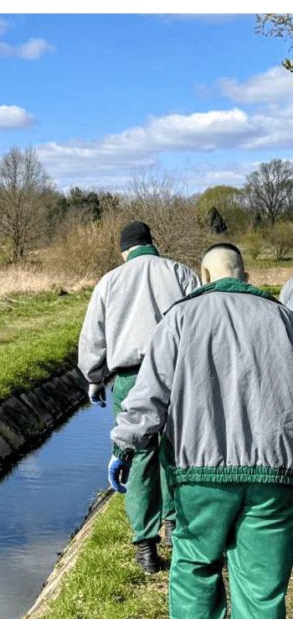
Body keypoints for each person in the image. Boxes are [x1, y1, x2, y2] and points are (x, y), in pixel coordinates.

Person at [109, 242, 293, 619]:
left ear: (204, 275)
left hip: (200, 472)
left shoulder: (179, 318)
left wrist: (125, 447)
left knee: (195, 559)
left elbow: (149, 396)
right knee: (262, 585)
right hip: (274, 476)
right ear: (245, 274)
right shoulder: (283, 318)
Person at [78, 221, 200, 573]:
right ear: (151, 243)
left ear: (124, 250)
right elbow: (200, 322)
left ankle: (146, 546)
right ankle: (175, 526)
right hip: (177, 374)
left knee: (138, 455)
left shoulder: (109, 282)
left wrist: (94, 378)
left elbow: (93, 339)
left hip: (131, 378)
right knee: (177, 451)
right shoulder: (181, 273)